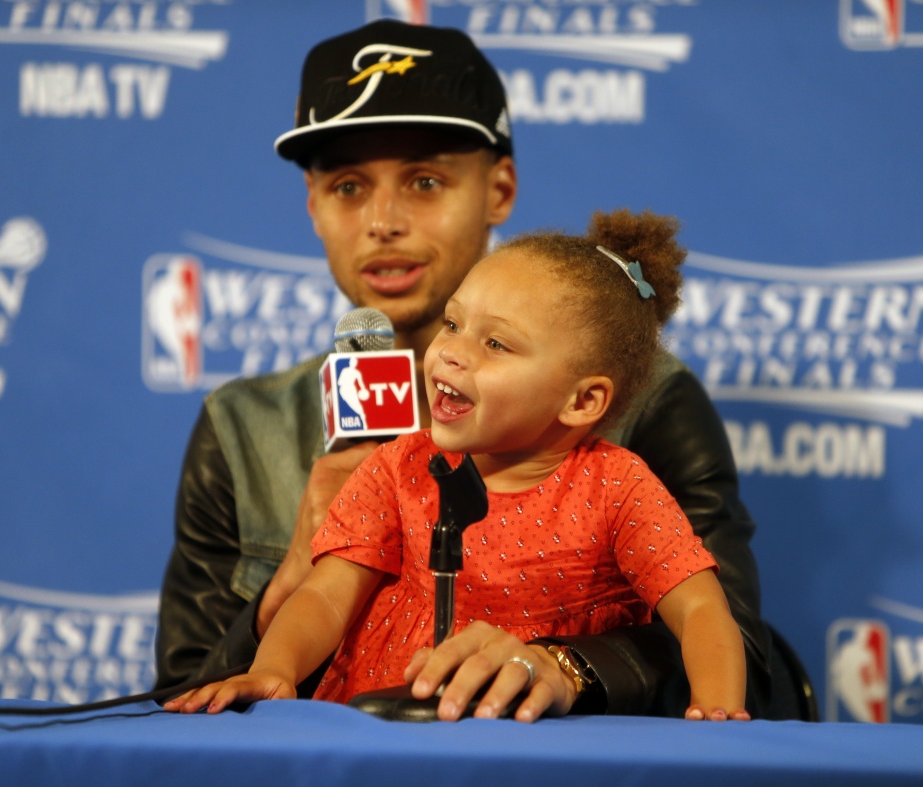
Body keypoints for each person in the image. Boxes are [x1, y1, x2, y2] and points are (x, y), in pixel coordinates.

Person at [155, 18, 775, 719]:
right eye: (350, 187)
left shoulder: (650, 404)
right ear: (315, 207)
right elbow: (181, 703)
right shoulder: (243, 425)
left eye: (424, 181)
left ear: (499, 189)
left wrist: (567, 666)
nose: (383, 220)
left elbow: (744, 653)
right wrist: (281, 601)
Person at [164, 214, 750, 722]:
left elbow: (701, 607)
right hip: (379, 743)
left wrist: (716, 719)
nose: (451, 350)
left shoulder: (619, 488)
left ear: (581, 401)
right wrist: (275, 670)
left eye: (496, 345)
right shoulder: (397, 466)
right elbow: (325, 595)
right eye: (453, 323)